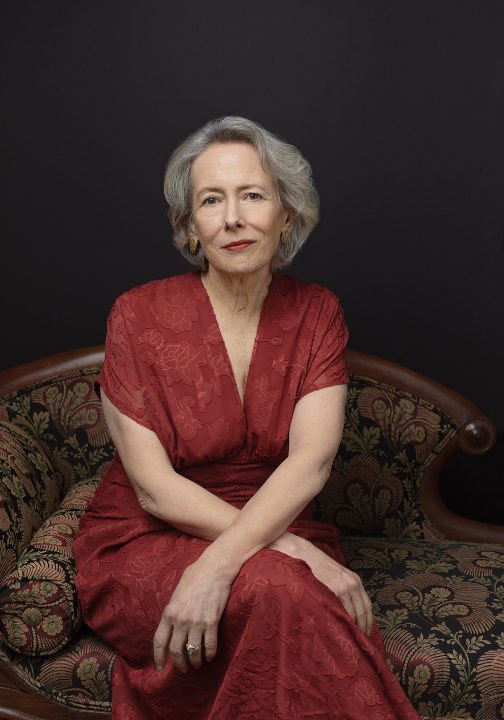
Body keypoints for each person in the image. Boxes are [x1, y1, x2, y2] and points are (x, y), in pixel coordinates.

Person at [73, 116, 421, 720]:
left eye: (253, 195)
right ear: (190, 226)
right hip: (146, 539)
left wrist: (227, 560)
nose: (233, 218)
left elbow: (311, 463)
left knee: (280, 592)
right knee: (286, 588)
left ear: (287, 216)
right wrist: (292, 554)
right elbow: (154, 491)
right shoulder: (136, 314)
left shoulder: (317, 312)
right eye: (211, 200)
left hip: (271, 521)